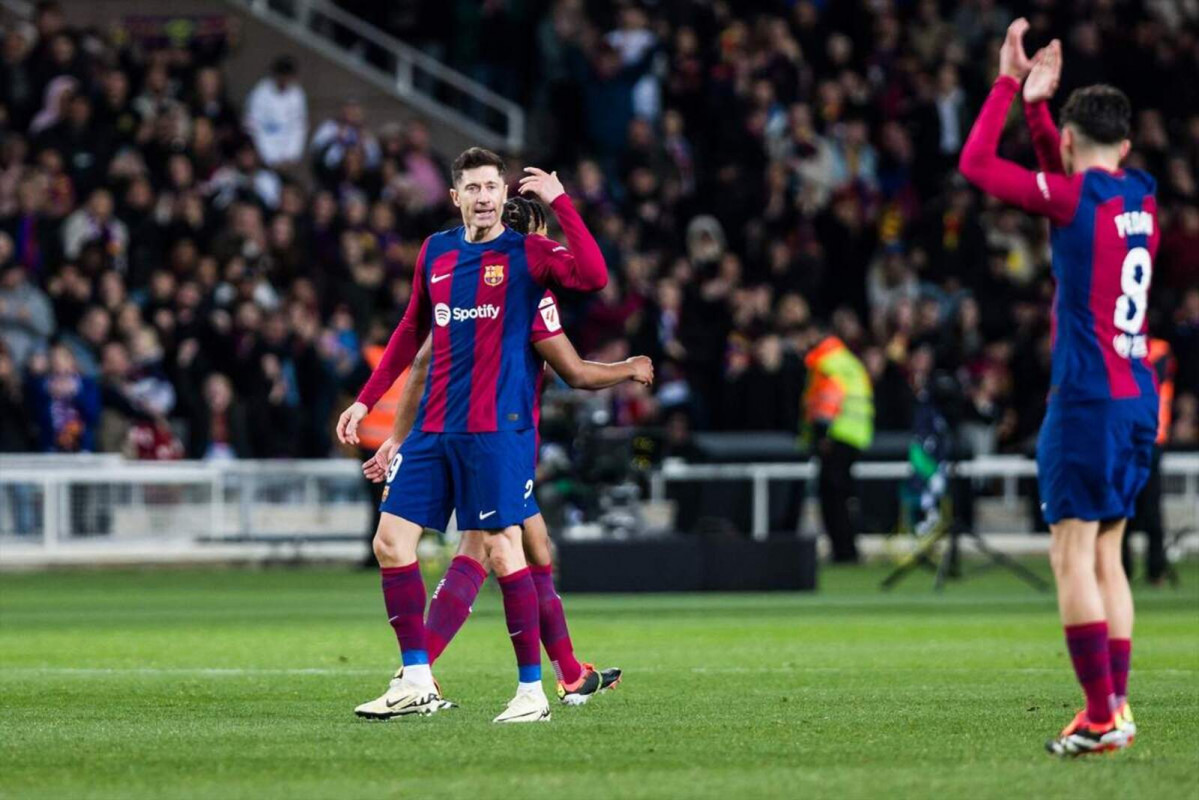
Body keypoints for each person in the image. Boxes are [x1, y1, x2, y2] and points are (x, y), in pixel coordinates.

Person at [334, 148, 608, 722]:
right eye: (473, 188)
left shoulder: (529, 254)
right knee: (389, 543)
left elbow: (593, 274)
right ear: (455, 196)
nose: (484, 196)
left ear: (505, 195)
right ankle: (416, 680)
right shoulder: (436, 252)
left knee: (507, 550)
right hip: (436, 427)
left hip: (496, 428)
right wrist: (365, 400)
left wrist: (560, 202)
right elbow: (411, 333)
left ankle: (533, 692)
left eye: (492, 186)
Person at [959, 23, 1157, 756]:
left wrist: (1010, 85)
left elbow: (976, 162)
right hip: (1137, 395)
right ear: (1125, 148)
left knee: (1069, 555)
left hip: (1086, 399)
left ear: (1072, 145)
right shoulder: (1140, 193)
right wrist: (1043, 115)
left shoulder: (1073, 201)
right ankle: (1117, 708)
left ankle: (1099, 716)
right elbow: (1065, 183)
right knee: (1107, 552)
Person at [796, 323, 874, 563]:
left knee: (831, 497)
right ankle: (847, 548)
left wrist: (822, 435)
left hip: (836, 434)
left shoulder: (826, 362)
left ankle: (843, 551)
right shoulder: (850, 361)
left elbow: (827, 400)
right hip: (856, 433)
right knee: (842, 495)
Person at [1122, 338, 1174, 584]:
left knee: (1151, 509)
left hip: (1151, 439)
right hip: (1123, 438)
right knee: (1121, 507)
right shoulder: (1119, 346)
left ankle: (1155, 570)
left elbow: (1146, 379)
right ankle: (1121, 570)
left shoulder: (1158, 348)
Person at [244, 56, 307, 169]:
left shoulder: (297, 94)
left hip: (287, 159)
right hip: (263, 155)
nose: (284, 80)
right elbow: (254, 127)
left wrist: (292, 155)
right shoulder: (260, 92)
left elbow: (298, 127)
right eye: (282, 75)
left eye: (288, 76)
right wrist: (268, 157)